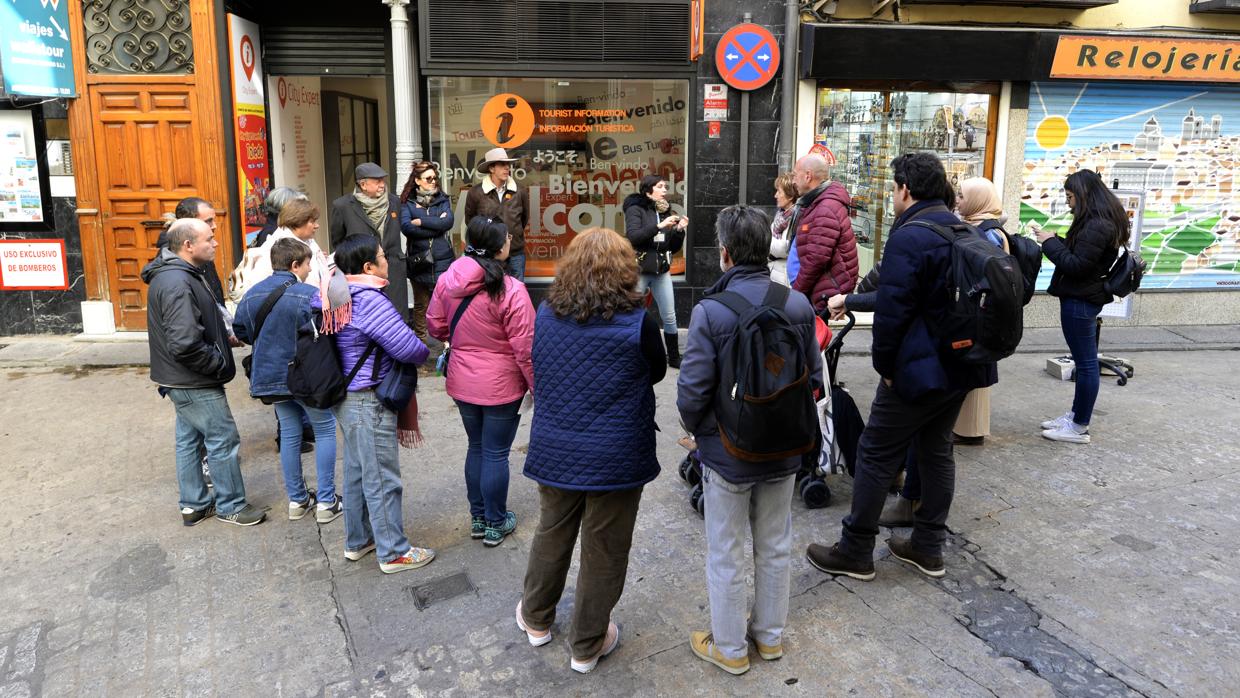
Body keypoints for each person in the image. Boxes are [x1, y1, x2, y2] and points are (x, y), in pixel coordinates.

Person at [805, 152, 996, 581]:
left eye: (893, 188)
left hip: (918, 368)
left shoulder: (911, 236)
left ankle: (855, 549)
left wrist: (886, 368)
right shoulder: (958, 227)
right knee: (936, 450)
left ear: (905, 189)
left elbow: (893, 312)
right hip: (961, 365)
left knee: (875, 453)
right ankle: (928, 547)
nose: (892, 195)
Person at [677, 206, 823, 676]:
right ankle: (770, 639)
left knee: (725, 550)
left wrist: (702, 435)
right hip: (784, 449)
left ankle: (731, 648)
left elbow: (693, 390)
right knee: (776, 544)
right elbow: (814, 379)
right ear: (766, 250)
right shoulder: (797, 304)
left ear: (724, 254)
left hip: (727, 452)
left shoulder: (709, 311)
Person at [516, 228, 667, 674]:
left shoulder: (546, 312)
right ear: (625, 271)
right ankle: (587, 644)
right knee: (605, 548)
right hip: (617, 452)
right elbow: (657, 371)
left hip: (557, 445)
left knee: (552, 531)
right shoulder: (639, 321)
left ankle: (536, 618)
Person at [141, 218, 265, 527]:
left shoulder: (179, 275)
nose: (216, 242)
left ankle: (194, 505)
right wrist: (218, 363)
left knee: (189, 440)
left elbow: (193, 328)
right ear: (188, 245)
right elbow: (185, 343)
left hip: (181, 377)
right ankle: (231, 505)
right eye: (209, 238)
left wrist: (223, 340)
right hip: (193, 379)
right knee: (222, 438)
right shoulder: (176, 282)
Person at [427, 216, 535, 548]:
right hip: (502, 384)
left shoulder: (447, 280)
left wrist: (459, 340)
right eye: (507, 238)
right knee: (496, 453)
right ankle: (495, 522)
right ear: (500, 248)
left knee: (477, 447)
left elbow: (435, 326)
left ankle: (478, 517)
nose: (511, 240)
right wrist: (538, 388)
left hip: (463, 379)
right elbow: (526, 347)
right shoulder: (511, 289)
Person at [333, 234, 434, 574]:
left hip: (345, 396)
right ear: (368, 267)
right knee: (381, 477)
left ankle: (359, 540)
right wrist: (425, 353)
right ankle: (393, 552)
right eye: (382, 256)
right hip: (367, 398)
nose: (388, 259)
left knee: (358, 473)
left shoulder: (335, 292)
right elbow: (407, 347)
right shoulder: (368, 298)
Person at [233, 238, 342, 523]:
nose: (309, 270)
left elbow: (241, 330)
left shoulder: (253, 294)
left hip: (270, 376)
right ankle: (327, 501)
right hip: (306, 375)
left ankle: (297, 500)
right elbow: (326, 329)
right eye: (307, 264)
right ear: (296, 264)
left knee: (290, 432)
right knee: (325, 429)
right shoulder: (308, 294)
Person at [1034, 169, 1127, 445]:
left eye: (1071, 196)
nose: (1068, 202)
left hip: (1081, 300)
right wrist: (1054, 239)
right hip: (1081, 296)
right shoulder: (1098, 222)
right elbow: (1080, 256)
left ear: (1084, 196)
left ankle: (1078, 426)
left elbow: (1077, 266)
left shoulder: (1098, 225)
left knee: (1086, 365)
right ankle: (1075, 416)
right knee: (1084, 362)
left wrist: (1049, 243)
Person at [623, 174, 688, 368]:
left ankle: (674, 357)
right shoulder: (635, 208)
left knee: (669, 315)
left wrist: (679, 231)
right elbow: (634, 237)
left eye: (665, 186)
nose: (665, 190)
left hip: (661, 270)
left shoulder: (665, 210)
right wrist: (658, 226)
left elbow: (671, 246)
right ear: (648, 190)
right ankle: (631, 353)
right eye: (660, 186)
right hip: (640, 269)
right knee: (632, 313)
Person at [329, 163, 409, 322]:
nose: (382, 184)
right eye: (377, 181)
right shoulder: (342, 206)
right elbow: (338, 242)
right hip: (362, 273)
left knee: (396, 319)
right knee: (370, 319)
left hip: (393, 268)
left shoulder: (394, 202)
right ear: (363, 184)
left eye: (383, 180)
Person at [787, 154, 859, 311]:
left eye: (794, 175)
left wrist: (796, 294)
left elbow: (816, 260)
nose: (793, 181)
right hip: (818, 291)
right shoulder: (817, 202)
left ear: (808, 176)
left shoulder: (825, 207)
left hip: (823, 294)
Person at [399, 160, 456, 342]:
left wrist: (422, 221)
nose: (433, 181)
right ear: (417, 180)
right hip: (419, 261)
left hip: (443, 261)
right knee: (421, 306)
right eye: (428, 178)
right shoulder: (407, 203)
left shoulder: (443, 199)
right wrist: (436, 224)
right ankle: (421, 348)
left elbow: (447, 223)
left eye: (435, 178)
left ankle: (447, 347)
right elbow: (407, 228)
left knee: (446, 305)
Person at [463, 148, 530, 280]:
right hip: (489, 254)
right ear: (491, 168)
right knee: (492, 294)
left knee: (516, 292)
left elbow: (524, 219)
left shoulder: (520, 191)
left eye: (508, 165)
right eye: (502, 164)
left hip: (515, 252)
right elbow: (471, 222)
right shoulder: (476, 192)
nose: (507, 168)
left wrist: (511, 236)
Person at [156, 197, 228, 307]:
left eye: (213, 220)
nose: (214, 225)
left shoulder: (200, 244)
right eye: (208, 221)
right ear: (189, 222)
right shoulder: (173, 255)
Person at [768, 172, 798, 286]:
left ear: (790, 196)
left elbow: (787, 248)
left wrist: (764, 242)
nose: (775, 195)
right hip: (776, 274)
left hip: (785, 279)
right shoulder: (781, 215)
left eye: (779, 192)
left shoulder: (796, 217)